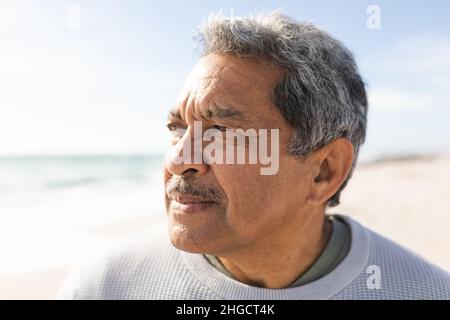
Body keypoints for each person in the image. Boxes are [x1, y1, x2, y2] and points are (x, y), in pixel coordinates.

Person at [58, 11, 450, 299]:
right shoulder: (105, 285)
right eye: (178, 128)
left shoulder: (423, 292)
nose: (179, 160)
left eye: (223, 132)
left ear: (323, 172)